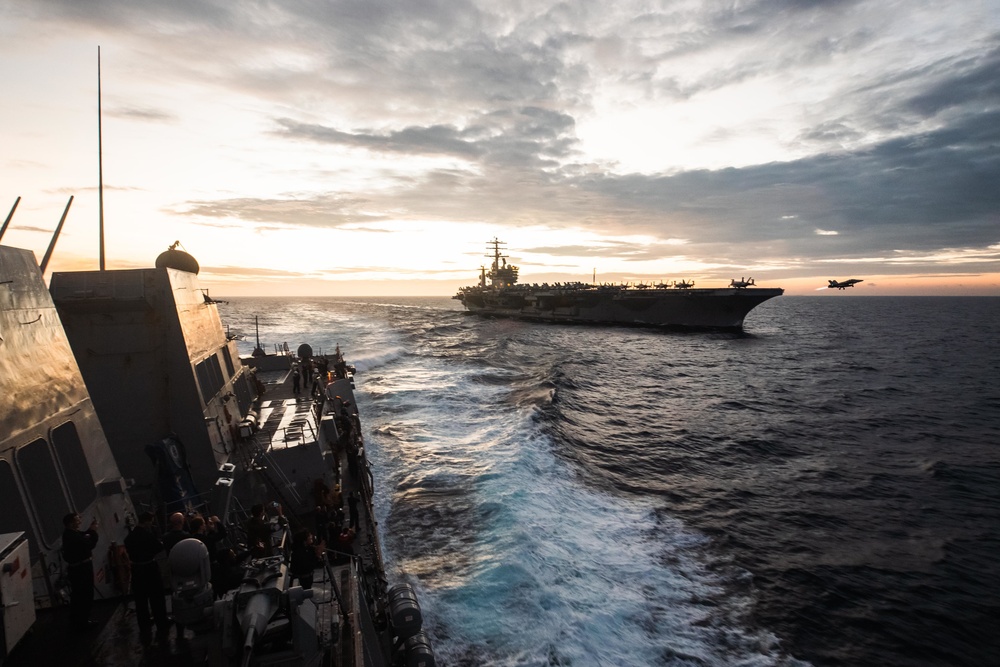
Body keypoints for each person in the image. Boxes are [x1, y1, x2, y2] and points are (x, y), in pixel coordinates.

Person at [124, 512, 169, 643]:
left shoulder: (129, 538)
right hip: (149, 567)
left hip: (137, 569)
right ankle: (161, 621)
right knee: (157, 596)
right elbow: (158, 547)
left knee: (140, 599)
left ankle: (143, 624)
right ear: (148, 521)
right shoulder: (148, 535)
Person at [61, 513, 99, 631]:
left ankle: (78, 621)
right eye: (77, 520)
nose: (80, 521)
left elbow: (84, 536)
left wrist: (89, 531)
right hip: (82, 569)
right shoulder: (72, 536)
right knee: (85, 595)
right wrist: (93, 532)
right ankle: (82, 622)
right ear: (71, 523)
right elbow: (88, 544)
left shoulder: (71, 534)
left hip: (77, 569)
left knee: (78, 596)